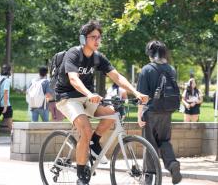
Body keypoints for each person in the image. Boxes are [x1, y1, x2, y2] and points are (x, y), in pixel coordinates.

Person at [55, 20, 148, 185]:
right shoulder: (74, 54)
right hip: (67, 97)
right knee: (85, 129)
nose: (97, 41)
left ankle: (94, 141)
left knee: (114, 113)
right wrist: (90, 93)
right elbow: (74, 79)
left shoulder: (98, 58)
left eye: (99, 37)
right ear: (84, 39)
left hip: (88, 98)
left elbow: (117, 77)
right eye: (93, 37)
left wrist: (135, 92)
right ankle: (81, 174)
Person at [137, 40, 182, 184]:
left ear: (150, 53)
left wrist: (139, 115)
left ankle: (149, 178)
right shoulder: (171, 69)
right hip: (167, 112)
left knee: (149, 144)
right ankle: (172, 164)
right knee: (164, 141)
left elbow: (142, 96)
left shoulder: (147, 69)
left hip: (150, 112)